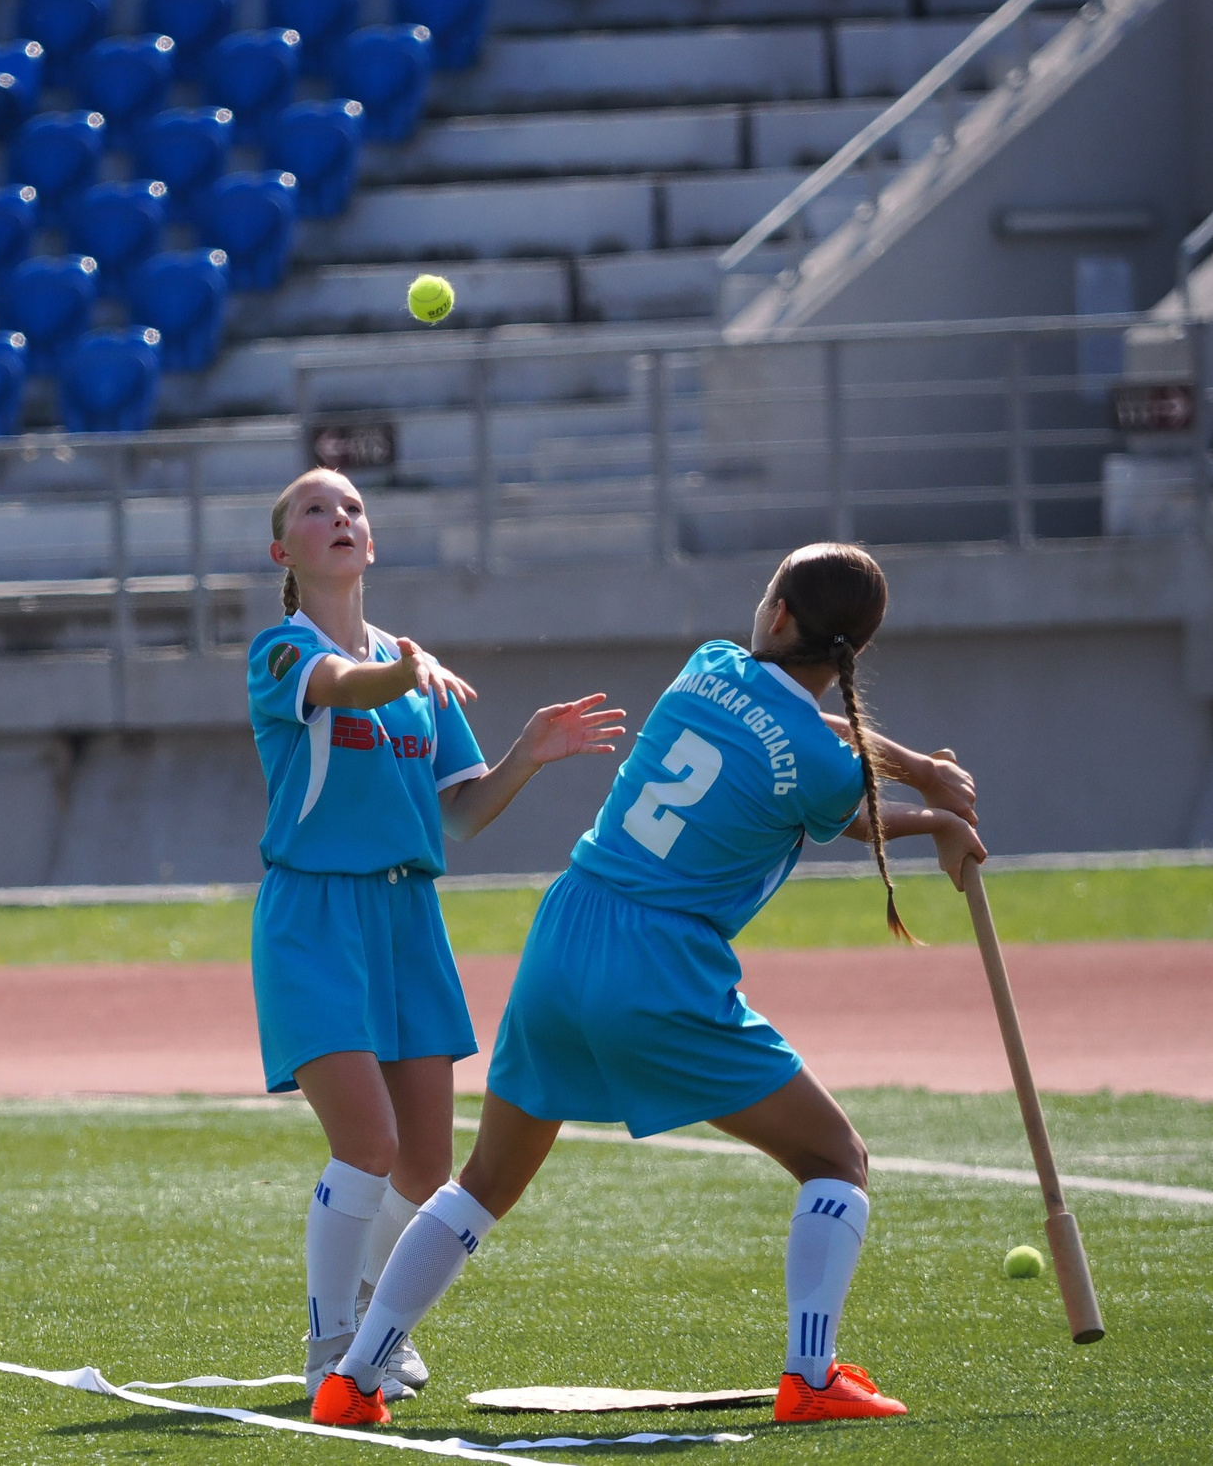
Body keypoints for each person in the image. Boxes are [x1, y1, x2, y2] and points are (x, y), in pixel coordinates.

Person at [314, 543, 986, 1428]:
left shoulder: (709, 665)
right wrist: (932, 806)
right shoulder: (815, 759)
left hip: (569, 924)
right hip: (660, 961)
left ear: (777, 615)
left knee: (482, 1180)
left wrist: (921, 779)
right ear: (853, 648)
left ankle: (353, 1377)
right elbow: (837, 793)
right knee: (837, 1160)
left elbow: (793, 726)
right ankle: (810, 1374)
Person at [250, 468, 625, 1402]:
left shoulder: (416, 670)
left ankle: (375, 1315)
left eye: (352, 509)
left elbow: (461, 813)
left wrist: (525, 755)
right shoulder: (283, 652)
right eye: (314, 509)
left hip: (409, 918)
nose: (338, 517)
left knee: (423, 1162)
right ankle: (331, 1338)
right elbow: (340, 684)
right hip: (316, 913)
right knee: (365, 1143)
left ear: (369, 542)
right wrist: (404, 671)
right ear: (283, 551)